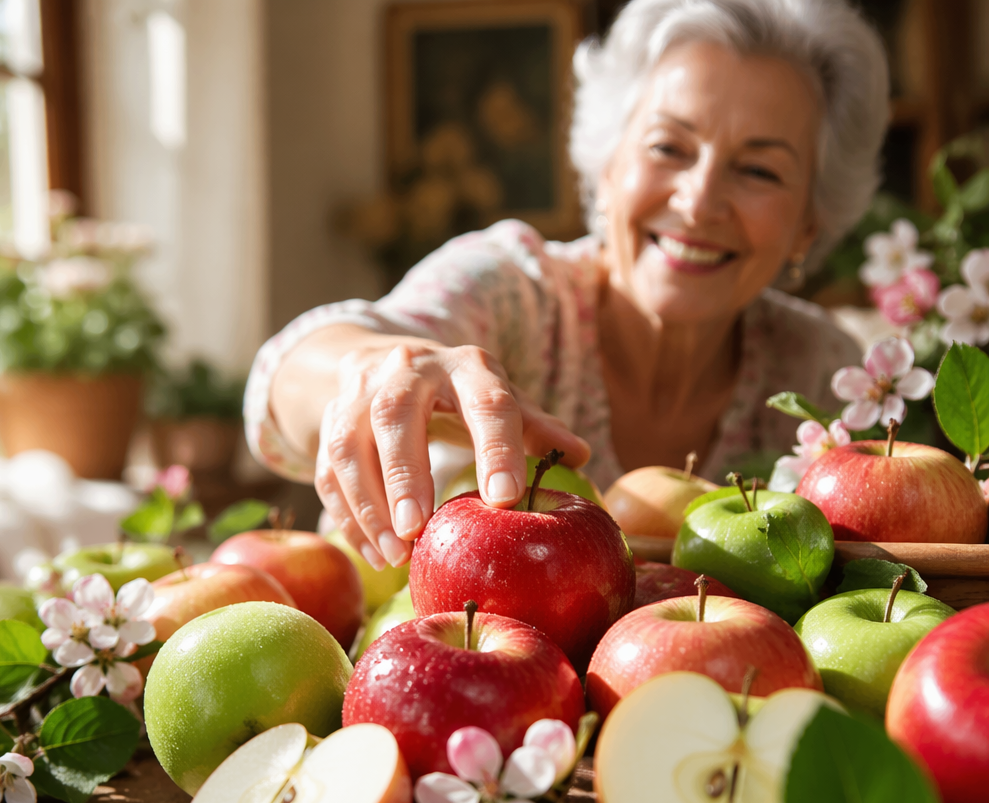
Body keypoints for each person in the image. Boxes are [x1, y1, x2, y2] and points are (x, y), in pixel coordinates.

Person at [245, 0, 889, 572]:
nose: (698, 203)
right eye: (669, 148)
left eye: (757, 170)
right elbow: (285, 382)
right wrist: (368, 368)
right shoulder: (512, 289)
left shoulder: (819, 372)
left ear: (810, 221)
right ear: (606, 167)